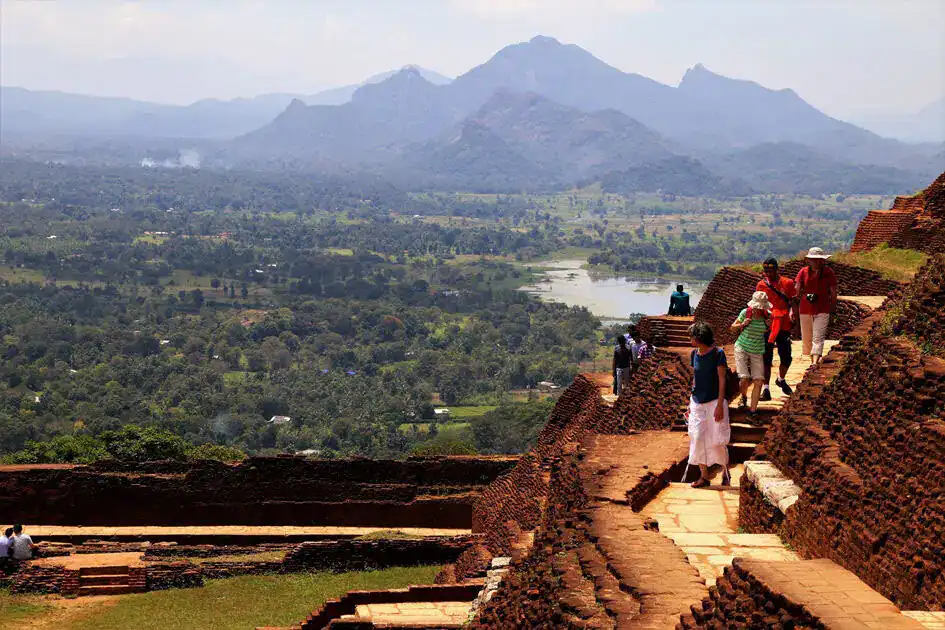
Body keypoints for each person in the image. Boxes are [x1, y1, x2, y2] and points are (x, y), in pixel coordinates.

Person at [686, 322, 731, 488]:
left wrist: (719, 405)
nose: (690, 340)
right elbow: (695, 378)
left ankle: (725, 472)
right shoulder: (694, 354)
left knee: (717, 439)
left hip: (714, 401)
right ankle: (704, 476)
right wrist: (690, 401)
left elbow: (721, 380)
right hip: (697, 401)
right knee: (697, 437)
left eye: (692, 337)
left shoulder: (718, 354)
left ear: (699, 338)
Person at [757, 258, 797, 400]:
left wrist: (793, 315)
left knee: (786, 357)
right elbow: (758, 305)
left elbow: (793, 301)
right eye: (766, 270)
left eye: (771, 270)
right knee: (766, 358)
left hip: (784, 323)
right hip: (768, 325)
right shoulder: (761, 285)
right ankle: (766, 389)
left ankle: (781, 379)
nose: (768, 273)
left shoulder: (787, 283)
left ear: (776, 269)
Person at [731, 292, 772, 419]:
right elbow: (732, 327)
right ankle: (743, 397)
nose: (758, 309)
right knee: (744, 378)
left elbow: (770, 331)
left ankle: (752, 411)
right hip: (742, 347)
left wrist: (769, 326)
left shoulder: (768, 316)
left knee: (758, 381)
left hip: (757, 349)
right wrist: (742, 324)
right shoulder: (745, 313)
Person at [795, 247, 837, 366]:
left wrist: (833, 310)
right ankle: (812, 360)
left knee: (818, 337)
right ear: (808, 260)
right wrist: (792, 308)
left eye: (819, 259)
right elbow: (796, 290)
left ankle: (815, 363)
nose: (817, 262)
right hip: (805, 307)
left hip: (823, 307)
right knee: (807, 338)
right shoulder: (803, 272)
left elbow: (833, 292)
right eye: (814, 259)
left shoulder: (828, 272)